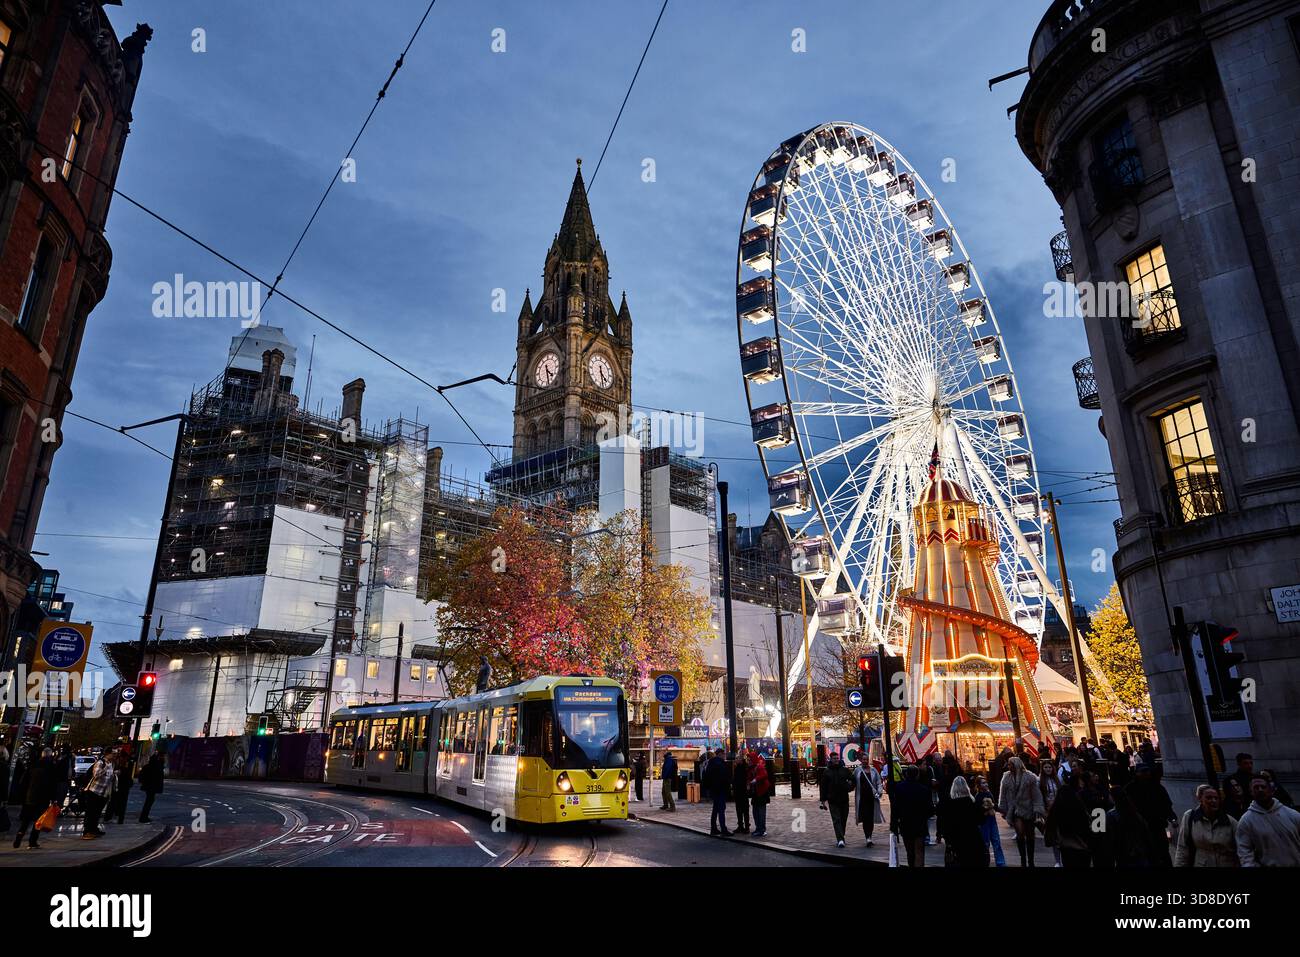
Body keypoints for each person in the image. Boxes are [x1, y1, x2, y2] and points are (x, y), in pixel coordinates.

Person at [1235, 774, 1300, 867]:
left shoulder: (1292, 815)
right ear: (1251, 792)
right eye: (1256, 787)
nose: (1260, 790)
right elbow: (1245, 852)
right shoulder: (1246, 821)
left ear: (1270, 790)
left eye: (1263, 787)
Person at [1173, 785, 1238, 867]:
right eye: (1209, 798)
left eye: (1216, 798)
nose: (1213, 801)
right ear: (1200, 799)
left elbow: (1241, 848)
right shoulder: (1190, 818)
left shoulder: (1230, 821)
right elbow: (1182, 848)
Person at [998, 756, 1044, 867]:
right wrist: (1003, 808)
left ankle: (1031, 860)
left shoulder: (1029, 777)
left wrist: (1037, 808)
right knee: (1019, 834)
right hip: (1015, 810)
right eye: (1008, 765)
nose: (1009, 767)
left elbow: (1036, 794)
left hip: (1028, 808)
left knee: (1030, 836)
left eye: (1010, 764)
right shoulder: (1006, 777)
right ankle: (1023, 859)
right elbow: (1002, 794)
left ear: (1016, 765)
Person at [1126, 763, 1175, 866]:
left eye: (1147, 771)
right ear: (1137, 773)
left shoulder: (1156, 786)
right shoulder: (1130, 788)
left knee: (1163, 852)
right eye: (1143, 772)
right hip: (1141, 827)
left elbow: (1166, 803)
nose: (1145, 774)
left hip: (1157, 824)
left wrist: (1171, 816)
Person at [11, 747, 57, 849]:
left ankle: (19, 837)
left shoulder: (33, 765)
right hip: (43, 797)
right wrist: (53, 798)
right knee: (38, 821)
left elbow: (24, 782)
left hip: (30, 796)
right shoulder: (51, 767)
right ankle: (32, 841)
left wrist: (23, 795)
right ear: (50, 755)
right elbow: (53, 784)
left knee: (26, 820)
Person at [1045, 770, 1092, 868]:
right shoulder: (1080, 809)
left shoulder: (1057, 812)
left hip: (1067, 849)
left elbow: (1050, 835)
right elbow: (1090, 827)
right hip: (1083, 848)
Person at [890, 765, 933, 867]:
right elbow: (930, 810)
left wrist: (894, 825)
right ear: (917, 775)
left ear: (906, 774)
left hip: (906, 824)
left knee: (910, 852)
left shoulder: (899, 788)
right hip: (920, 825)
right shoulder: (924, 789)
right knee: (919, 852)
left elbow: (895, 809)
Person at [942, 777, 989, 867]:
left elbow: (945, 826)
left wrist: (947, 840)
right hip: (973, 841)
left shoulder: (949, 806)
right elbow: (981, 820)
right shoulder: (972, 803)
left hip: (956, 842)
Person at [819, 749, 855, 848]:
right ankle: (840, 839)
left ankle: (841, 835)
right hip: (833, 800)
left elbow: (853, 779)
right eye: (834, 758)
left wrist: (849, 788)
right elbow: (823, 787)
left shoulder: (844, 770)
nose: (836, 760)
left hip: (844, 799)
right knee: (836, 820)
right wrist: (823, 800)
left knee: (843, 819)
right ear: (830, 759)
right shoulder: (827, 772)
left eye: (837, 758)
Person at [81, 751, 115, 838]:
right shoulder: (100, 762)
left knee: (97, 813)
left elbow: (109, 778)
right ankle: (87, 832)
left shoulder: (111, 764)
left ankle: (94, 829)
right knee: (91, 812)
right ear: (108, 754)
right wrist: (105, 768)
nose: (114, 755)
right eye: (113, 753)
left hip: (103, 793)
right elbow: (96, 775)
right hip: (93, 791)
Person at [973, 776, 1006, 866]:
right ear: (979, 785)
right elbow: (977, 810)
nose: (986, 784)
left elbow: (994, 805)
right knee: (985, 844)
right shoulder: (978, 796)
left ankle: (1000, 863)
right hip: (984, 822)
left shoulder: (989, 793)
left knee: (996, 842)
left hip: (992, 820)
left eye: (986, 782)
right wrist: (985, 810)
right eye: (983, 783)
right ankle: (985, 862)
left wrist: (996, 807)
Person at [853, 752, 883, 847]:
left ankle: (870, 835)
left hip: (872, 799)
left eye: (866, 759)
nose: (865, 761)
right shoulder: (857, 771)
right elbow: (852, 781)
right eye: (863, 759)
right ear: (861, 760)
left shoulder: (874, 770)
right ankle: (867, 837)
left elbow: (878, 782)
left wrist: (879, 791)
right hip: (862, 799)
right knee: (865, 818)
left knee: (871, 818)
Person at [1039, 759, 1061, 866]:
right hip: (1048, 812)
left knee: (1061, 835)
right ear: (1042, 769)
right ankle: (1057, 861)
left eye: (1049, 767)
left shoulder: (1057, 780)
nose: (1048, 769)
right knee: (1054, 837)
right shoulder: (1040, 781)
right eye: (1046, 767)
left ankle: (1062, 859)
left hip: (1059, 809)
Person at [704, 748, 731, 836]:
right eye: (724, 754)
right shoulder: (720, 764)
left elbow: (706, 776)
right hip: (720, 789)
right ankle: (723, 829)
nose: (725, 755)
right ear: (720, 754)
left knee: (715, 809)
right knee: (721, 809)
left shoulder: (710, 763)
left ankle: (714, 828)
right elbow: (724, 778)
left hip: (714, 790)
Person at [138, 752, 165, 823]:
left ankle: (144, 817)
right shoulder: (157, 767)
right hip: (152, 787)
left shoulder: (147, 766)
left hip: (148, 787)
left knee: (149, 801)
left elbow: (140, 777)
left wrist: (144, 783)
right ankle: (143, 817)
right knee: (149, 802)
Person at [748, 750, 770, 837]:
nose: (748, 761)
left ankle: (761, 829)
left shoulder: (759, 767)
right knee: (756, 811)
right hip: (756, 792)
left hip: (761, 792)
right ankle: (758, 828)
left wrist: (755, 779)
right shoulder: (751, 768)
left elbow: (764, 775)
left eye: (749, 760)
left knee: (760, 811)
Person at [109, 753, 133, 825]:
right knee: (118, 803)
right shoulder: (120, 767)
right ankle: (118, 818)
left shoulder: (119, 766)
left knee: (115, 802)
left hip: (120, 786)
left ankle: (116, 817)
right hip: (120, 786)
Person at [732, 752, 751, 834]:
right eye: (736, 758)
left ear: (741, 760)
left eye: (737, 758)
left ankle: (746, 826)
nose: (735, 760)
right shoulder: (737, 768)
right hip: (738, 791)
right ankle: (740, 825)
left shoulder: (744, 768)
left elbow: (742, 780)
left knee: (744, 809)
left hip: (742, 791)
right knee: (739, 809)